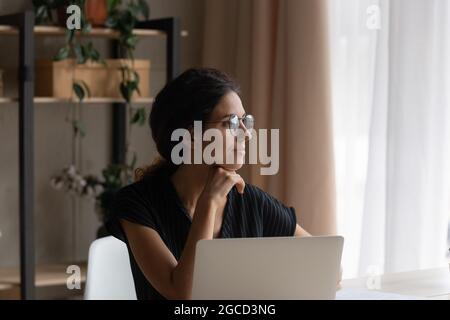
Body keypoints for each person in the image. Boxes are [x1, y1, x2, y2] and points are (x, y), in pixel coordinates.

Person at [106, 68, 311, 300]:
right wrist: (210, 201)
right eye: (231, 123)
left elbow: (320, 261)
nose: (246, 134)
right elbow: (184, 294)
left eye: (245, 121)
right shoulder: (138, 204)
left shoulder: (250, 199)